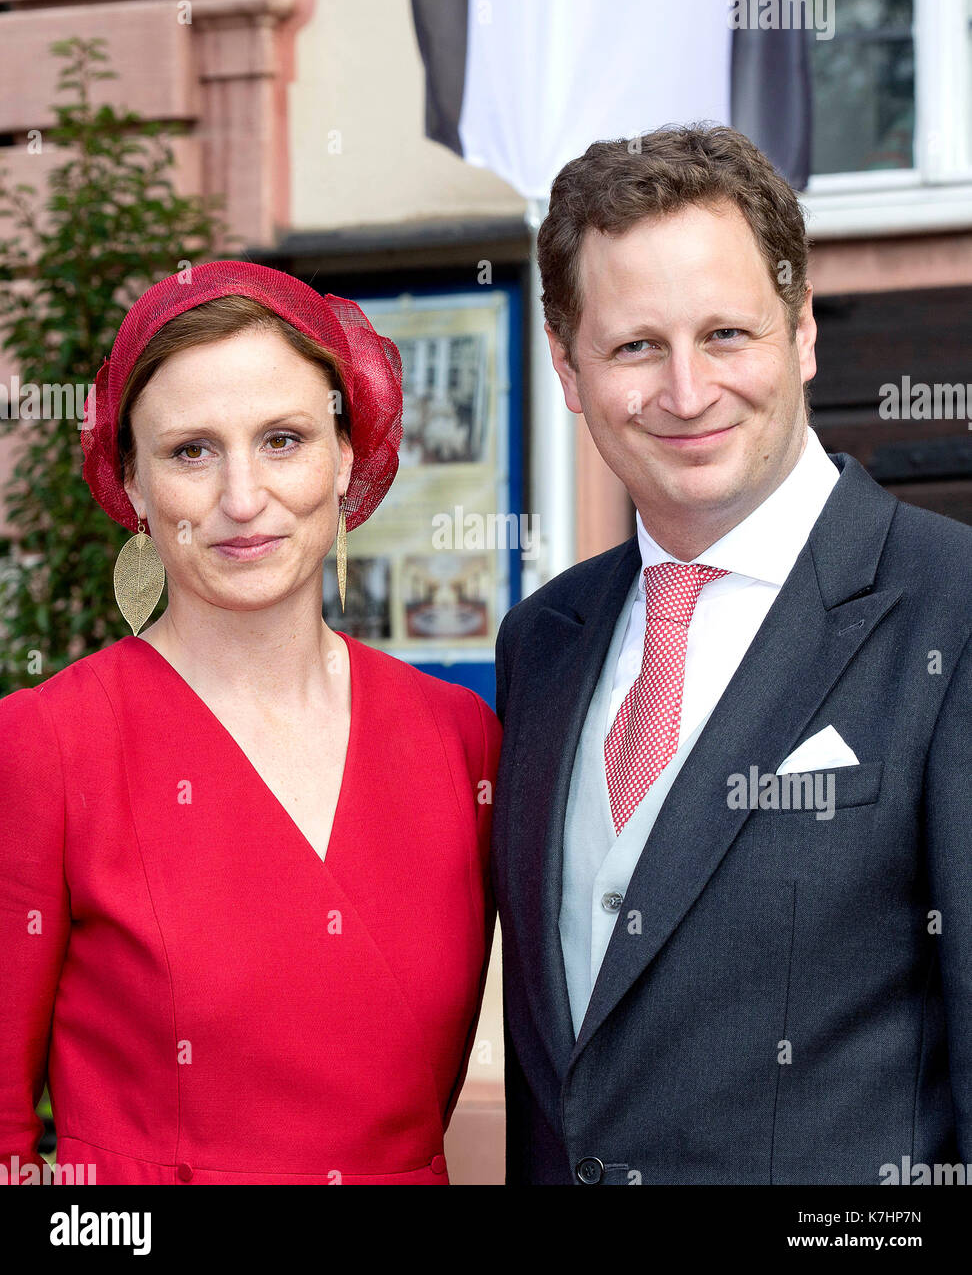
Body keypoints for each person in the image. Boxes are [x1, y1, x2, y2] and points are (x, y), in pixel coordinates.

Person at [491, 124, 972, 1185]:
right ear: (568, 368)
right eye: (633, 346)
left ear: (802, 334)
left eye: (726, 335)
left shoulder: (954, 609)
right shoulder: (542, 642)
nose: (686, 390)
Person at [0, 260, 500, 1185]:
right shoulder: (48, 745)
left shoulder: (458, 737)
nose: (241, 498)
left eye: (282, 439)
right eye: (191, 449)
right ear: (132, 485)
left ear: (347, 455)